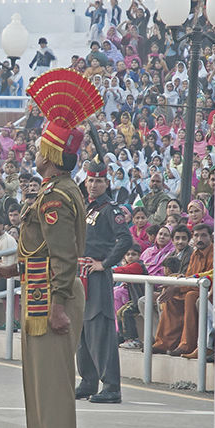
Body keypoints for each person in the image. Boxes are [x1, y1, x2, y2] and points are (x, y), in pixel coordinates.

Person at [0, 69, 95, 428]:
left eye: (40, 145)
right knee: (40, 385)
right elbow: (41, 252)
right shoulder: (57, 189)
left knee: (52, 385)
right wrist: (9, 270)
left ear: (51, 151)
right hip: (41, 295)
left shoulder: (55, 197)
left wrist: (56, 304)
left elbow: (64, 257)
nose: (34, 150)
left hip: (53, 299)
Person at [75, 162, 132, 404]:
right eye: (90, 180)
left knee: (101, 330)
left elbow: (125, 239)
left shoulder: (111, 209)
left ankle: (111, 386)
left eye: (99, 181)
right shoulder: (86, 208)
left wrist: (105, 263)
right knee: (82, 330)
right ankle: (88, 381)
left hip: (97, 274)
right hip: (80, 273)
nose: (94, 185)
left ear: (106, 183)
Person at [152, 223, 214, 358]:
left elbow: (211, 276)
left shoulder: (214, 252)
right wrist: (175, 286)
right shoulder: (195, 253)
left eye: (203, 235)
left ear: (211, 237)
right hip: (193, 286)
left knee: (191, 296)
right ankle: (165, 343)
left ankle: (187, 344)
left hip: (209, 291)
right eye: (196, 235)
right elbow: (189, 276)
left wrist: (178, 286)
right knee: (171, 297)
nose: (199, 239)